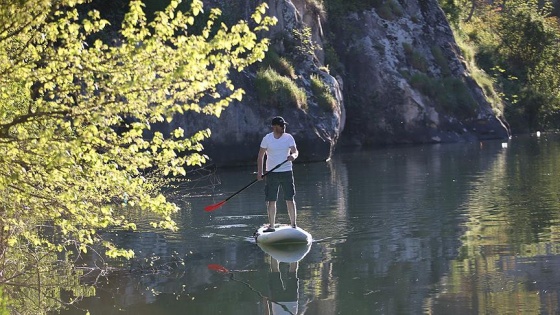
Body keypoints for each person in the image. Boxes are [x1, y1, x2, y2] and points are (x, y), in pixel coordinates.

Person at [257, 116, 298, 232]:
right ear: (274, 127)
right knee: (271, 200)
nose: (283, 127)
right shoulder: (267, 138)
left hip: (286, 172)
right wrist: (260, 172)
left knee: (290, 199)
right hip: (271, 173)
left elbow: (295, 151)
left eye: (283, 125)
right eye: (281, 125)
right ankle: (272, 226)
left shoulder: (288, 137)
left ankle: (294, 225)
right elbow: (261, 156)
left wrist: (293, 156)